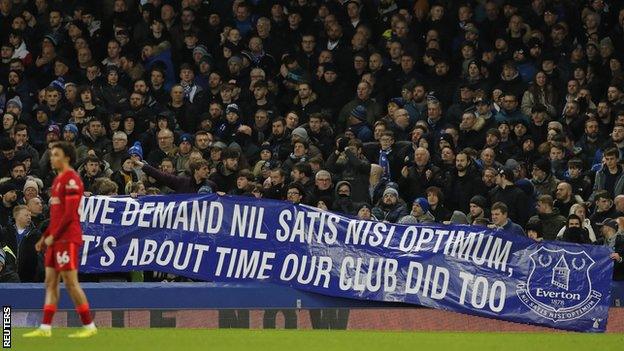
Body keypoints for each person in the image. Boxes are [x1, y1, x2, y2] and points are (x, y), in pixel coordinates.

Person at [24, 142, 96, 338]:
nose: (52, 158)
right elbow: (56, 217)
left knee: (71, 283)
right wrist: (46, 237)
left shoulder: (72, 180)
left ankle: (89, 326)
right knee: (51, 282)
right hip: (56, 239)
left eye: (56, 154)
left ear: (67, 158)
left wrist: (53, 237)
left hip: (67, 239)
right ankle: (45, 327)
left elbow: (69, 215)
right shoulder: (57, 181)